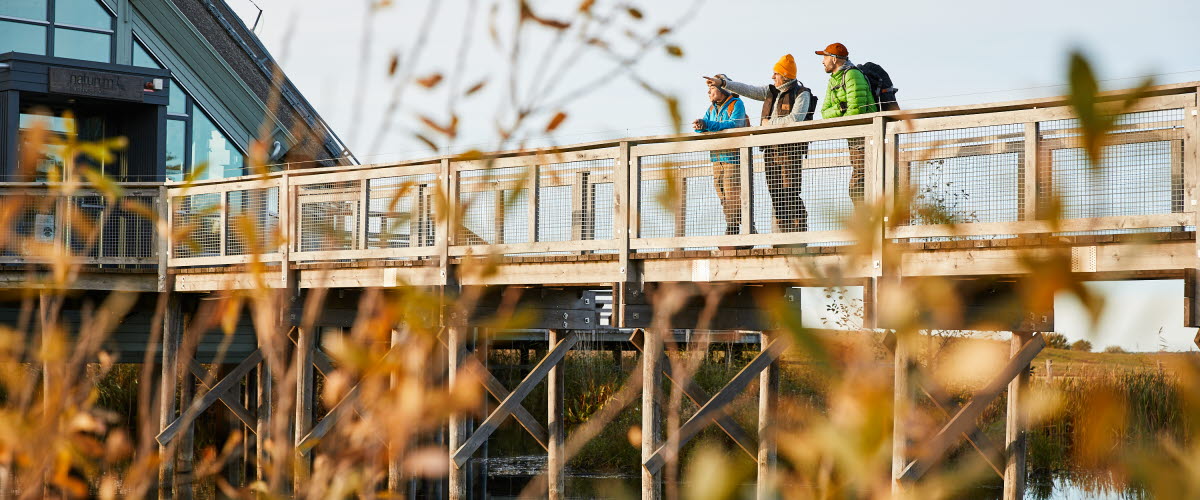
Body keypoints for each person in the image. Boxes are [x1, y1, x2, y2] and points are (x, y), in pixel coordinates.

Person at [705, 54, 815, 233]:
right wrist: (724, 84)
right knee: (776, 195)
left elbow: (795, 119)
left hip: (790, 151)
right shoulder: (770, 91)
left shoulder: (802, 94)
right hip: (770, 151)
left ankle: (798, 235)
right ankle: (783, 238)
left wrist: (767, 125)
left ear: (785, 75)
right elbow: (748, 89)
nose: (773, 77)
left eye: (776, 74)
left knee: (790, 192)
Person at [815, 42, 877, 206]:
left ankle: (865, 224)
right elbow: (824, 112)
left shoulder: (852, 75)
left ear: (834, 59)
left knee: (861, 181)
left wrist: (840, 113)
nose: (822, 61)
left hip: (865, 135)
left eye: (825, 57)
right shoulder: (833, 79)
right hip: (854, 137)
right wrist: (840, 108)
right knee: (860, 180)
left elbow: (857, 110)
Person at [693, 82, 749, 235]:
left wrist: (707, 124)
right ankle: (735, 227)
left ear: (722, 89)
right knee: (722, 195)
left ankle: (742, 228)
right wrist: (700, 126)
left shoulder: (736, 104)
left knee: (732, 195)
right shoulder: (711, 109)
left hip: (733, 157)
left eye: (712, 88)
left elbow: (733, 124)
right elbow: (704, 127)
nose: (708, 92)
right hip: (716, 158)